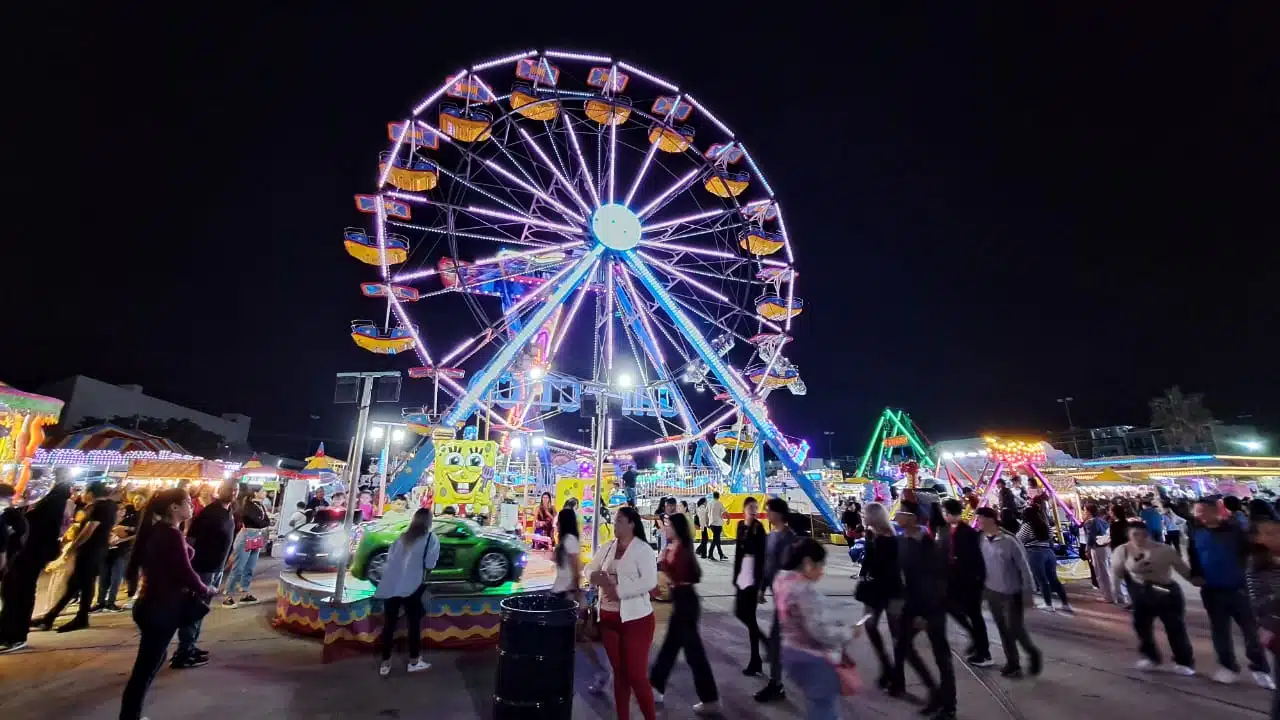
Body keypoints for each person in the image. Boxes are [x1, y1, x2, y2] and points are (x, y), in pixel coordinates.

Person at [118, 488, 215, 720]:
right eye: (188, 503)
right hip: (160, 609)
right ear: (174, 507)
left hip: (151, 606)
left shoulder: (162, 531)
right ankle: (129, 716)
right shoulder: (168, 534)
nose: (191, 507)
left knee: (153, 660)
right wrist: (206, 589)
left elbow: (182, 559)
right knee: (144, 669)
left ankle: (131, 714)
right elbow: (185, 571)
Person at [1188, 496, 1273, 687]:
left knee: (1250, 631)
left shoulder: (1235, 531)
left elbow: (1254, 553)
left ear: (1214, 511)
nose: (1198, 515)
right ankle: (1228, 666)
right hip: (1211, 590)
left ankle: (1260, 668)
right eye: (1196, 511)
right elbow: (1194, 556)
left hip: (1239, 588)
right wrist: (1196, 574)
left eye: (1201, 511)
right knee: (1220, 630)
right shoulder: (1196, 532)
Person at [584, 506, 658, 720]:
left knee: (636, 675)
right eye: (614, 521)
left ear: (631, 524)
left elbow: (649, 582)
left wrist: (618, 590)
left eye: (618, 521)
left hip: (636, 619)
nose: (614, 525)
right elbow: (589, 567)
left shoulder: (642, 550)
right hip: (608, 618)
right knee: (620, 674)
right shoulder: (607, 547)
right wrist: (594, 576)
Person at [774, 537, 858, 720]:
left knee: (816, 704)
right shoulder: (804, 590)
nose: (822, 571)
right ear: (808, 563)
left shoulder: (781, 580)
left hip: (790, 651)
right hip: (813, 658)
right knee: (824, 709)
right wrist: (848, 633)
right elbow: (819, 631)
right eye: (820, 565)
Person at [649, 512, 720, 715]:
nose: (666, 528)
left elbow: (684, 574)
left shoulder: (682, 549)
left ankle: (710, 699)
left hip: (686, 601)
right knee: (672, 648)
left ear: (677, 527)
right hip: (681, 600)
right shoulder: (676, 547)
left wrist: (664, 562)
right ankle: (656, 686)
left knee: (693, 653)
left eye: (668, 525)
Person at [890, 500, 955, 719]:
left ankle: (949, 706)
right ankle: (935, 694)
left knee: (941, 656)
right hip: (912, 604)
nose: (897, 516)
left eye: (901, 513)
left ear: (912, 518)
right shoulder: (902, 542)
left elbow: (935, 583)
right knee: (902, 646)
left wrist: (924, 614)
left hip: (931, 608)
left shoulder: (929, 545)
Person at [1110, 519, 1195, 675]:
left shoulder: (1164, 549)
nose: (1139, 538)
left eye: (1142, 534)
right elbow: (1118, 573)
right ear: (1128, 535)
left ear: (1148, 534)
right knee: (1142, 627)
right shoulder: (1122, 550)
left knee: (1175, 628)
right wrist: (1117, 590)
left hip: (1166, 591)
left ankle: (1184, 661)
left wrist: (1197, 581)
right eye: (1135, 534)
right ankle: (1151, 657)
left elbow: (1183, 570)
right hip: (1141, 593)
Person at [35, 480, 116, 633]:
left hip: (90, 551)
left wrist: (73, 546)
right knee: (75, 585)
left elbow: (89, 530)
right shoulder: (110, 506)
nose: (83, 494)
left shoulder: (98, 507)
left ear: (91, 493)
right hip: (98, 549)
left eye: (85, 491)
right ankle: (51, 617)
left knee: (84, 584)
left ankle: (80, 618)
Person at [0, 482, 71, 652]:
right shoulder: (31, 507)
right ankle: (7, 632)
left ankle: (16, 636)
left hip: (30, 556)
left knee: (20, 593)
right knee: (11, 593)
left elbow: (25, 532)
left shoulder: (51, 504)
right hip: (24, 556)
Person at [175, 480, 236, 667]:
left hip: (216, 568)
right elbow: (191, 540)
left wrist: (228, 558)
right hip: (202, 568)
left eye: (235, 490)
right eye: (229, 489)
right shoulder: (209, 513)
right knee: (194, 609)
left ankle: (190, 646)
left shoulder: (228, 513)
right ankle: (183, 653)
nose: (233, 493)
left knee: (201, 610)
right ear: (220, 491)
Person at [976, 507, 1041, 680]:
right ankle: (1013, 663)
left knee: (1015, 629)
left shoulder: (1009, 541)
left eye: (980, 519)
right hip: (992, 591)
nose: (978, 522)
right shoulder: (982, 539)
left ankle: (1033, 653)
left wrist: (1029, 593)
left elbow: (1024, 567)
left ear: (990, 519)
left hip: (1011, 593)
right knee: (1003, 629)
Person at [551, 508, 610, 693]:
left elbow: (576, 570)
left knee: (580, 638)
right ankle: (562, 674)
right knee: (567, 638)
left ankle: (601, 671)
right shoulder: (564, 540)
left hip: (567, 595)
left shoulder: (570, 541)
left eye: (559, 519)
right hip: (559, 593)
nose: (556, 522)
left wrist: (576, 593)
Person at [375, 508, 439, 677]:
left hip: (392, 584)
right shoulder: (431, 539)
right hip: (412, 585)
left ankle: (385, 664)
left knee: (389, 625)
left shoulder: (402, 537)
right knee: (414, 624)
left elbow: (390, 558)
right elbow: (430, 564)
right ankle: (414, 661)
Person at [858, 502, 905, 688]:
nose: (863, 515)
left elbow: (894, 567)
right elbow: (869, 561)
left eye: (866, 513)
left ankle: (898, 676)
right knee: (869, 625)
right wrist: (864, 575)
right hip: (875, 590)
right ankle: (886, 666)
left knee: (896, 635)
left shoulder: (892, 539)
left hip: (892, 590)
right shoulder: (871, 535)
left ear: (874, 516)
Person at [755, 497, 796, 703]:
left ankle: (776, 684)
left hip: (787, 596)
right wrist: (762, 588)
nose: (767, 514)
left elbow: (789, 567)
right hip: (776, 593)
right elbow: (766, 564)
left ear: (779, 513)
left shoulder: (788, 538)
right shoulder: (771, 535)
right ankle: (777, 679)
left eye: (769, 511)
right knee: (778, 640)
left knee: (777, 640)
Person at [940, 498, 991, 665]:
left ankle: (984, 652)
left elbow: (973, 559)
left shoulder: (966, 532)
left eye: (945, 512)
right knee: (953, 608)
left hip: (969, 582)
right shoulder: (950, 530)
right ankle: (976, 641)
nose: (943, 515)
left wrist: (977, 581)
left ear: (949, 513)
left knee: (975, 616)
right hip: (957, 581)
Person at [1246, 511, 1280, 715]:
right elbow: (1258, 605)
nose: (1277, 535)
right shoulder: (1257, 568)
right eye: (1270, 533)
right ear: (1258, 539)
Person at [733, 496, 768, 676]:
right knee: (740, 613)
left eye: (756, 507)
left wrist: (761, 586)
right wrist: (735, 577)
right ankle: (764, 645)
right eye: (751, 507)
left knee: (750, 617)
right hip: (742, 575)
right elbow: (738, 554)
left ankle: (756, 660)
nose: (753, 510)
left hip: (753, 576)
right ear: (745, 508)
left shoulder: (759, 529)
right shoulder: (740, 526)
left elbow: (763, 558)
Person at [1016, 505, 1072, 613]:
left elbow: (1019, 539)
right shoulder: (1045, 525)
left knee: (1042, 580)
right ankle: (1065, 604)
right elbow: (1050, 538)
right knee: (1054, 579)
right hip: (1049, 552)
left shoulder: (1027, 526)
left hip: (1035, 553)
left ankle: (1049, 604)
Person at [225, 487, 271, 604]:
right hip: (247, 536)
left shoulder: (260, 506)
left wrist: (264, 522)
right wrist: (264, 522)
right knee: (238, 567)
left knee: (250, 566)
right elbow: (260, 522)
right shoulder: (248, 506)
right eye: (262, 490)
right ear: (255, 493)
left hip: (257, 536)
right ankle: (228, 596)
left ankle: (245, 591)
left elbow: (266, 521)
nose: (265, 492)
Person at [95, 499, 139, 612]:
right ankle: (100, 602)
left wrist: (123, 539)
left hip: (121, 552)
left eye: (123, 509)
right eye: (119, 509)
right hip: (106, 552)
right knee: (104, 578)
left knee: (116, 577)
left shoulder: (129, 521)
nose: (121, 511)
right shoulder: (108, 521)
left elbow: (136, 534)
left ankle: (111, 602)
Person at [1083, 504, 1114, 603]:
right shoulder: (1102, 521)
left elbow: (1090, 537)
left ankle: (1108, 596)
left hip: (1097, 548)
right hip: (1106, 548)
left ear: (1089, 511)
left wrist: (1087, 549)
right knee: (1108, 571)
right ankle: (1115, 595)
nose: (1084, 512)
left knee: (1101, 573)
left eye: (1084, 510)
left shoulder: (1090, 522)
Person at [1110, 504, 1133, 606]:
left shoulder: (1114, 525)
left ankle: (1124, 599)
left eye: (1111, 511)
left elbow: (1114, 540)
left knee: (1121, 578)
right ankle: (1132, 600)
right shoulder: (1128, 524)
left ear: (1114, 513)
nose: (1109, 513)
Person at [706, 491, 727, 561]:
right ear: (718, 496)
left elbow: (706, 513)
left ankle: (721, 555)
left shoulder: (709, 503)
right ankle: (710, 554)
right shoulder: (719, 503)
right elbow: (725, 512)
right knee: (715, 539)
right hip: (718, 524)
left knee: (717, 539)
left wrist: (707, 522)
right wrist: (729, 519)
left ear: (713, 496)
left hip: (711, 524)